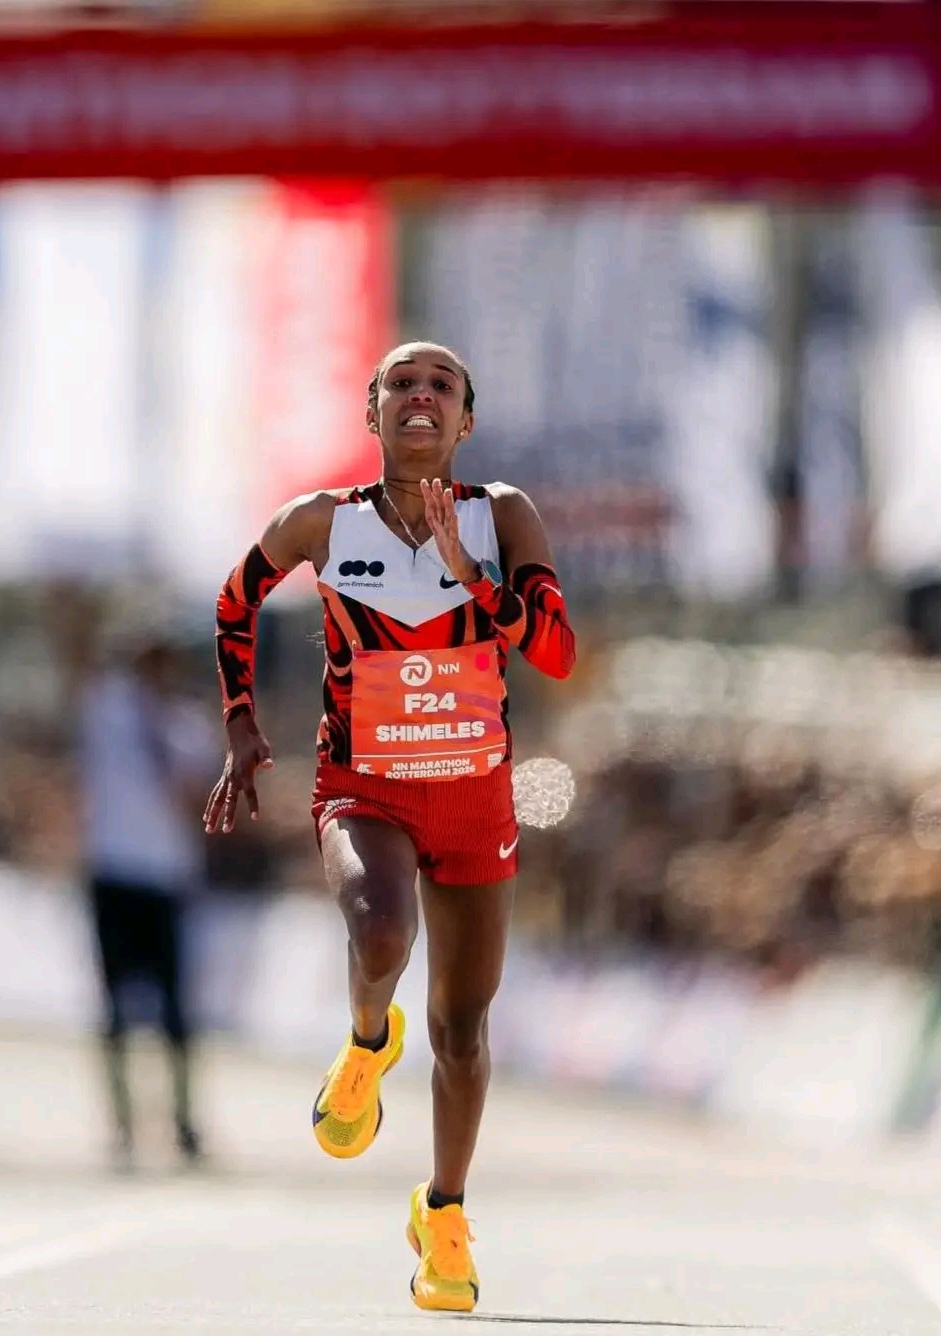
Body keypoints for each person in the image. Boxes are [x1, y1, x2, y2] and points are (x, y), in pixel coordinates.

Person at [203, 342, 576, 1312]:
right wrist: (241, 724)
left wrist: (471, 574)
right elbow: (236, 599)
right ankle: (368, 1039)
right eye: (400, 385)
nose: (420, 397)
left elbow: (560, 651)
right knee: (378, 929)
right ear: (370, 415)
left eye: (440, 386)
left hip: (475, 797)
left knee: (461, 1027)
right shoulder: (322, 523)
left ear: (465, 422)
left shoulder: (504, 517)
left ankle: (442, 1211)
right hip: (365, 787)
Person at [78, 617, 221, 1171]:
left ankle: (184, 1121)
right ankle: (121, 1125)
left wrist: (170, 768)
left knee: (176, 1010)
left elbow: (201, 803)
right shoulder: (107, 711)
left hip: (167, 878)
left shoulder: (188, 728)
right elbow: (77, 659)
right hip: (113, 871)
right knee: (114, 1006)